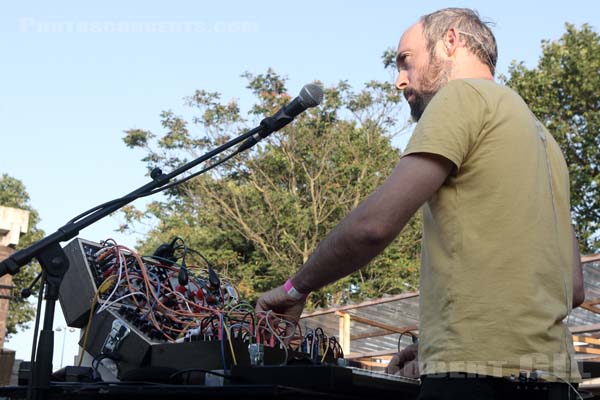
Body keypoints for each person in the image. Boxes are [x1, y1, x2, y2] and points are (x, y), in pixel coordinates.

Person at [256, 8, 585, 399]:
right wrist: (436, 346)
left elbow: (373, 226)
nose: (399, 80)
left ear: (450, 40)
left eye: (405, 62)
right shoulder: (543, 139)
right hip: (554, 379)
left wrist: (295, 289)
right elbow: (575, 287)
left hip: (476, 380)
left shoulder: (461, 96)